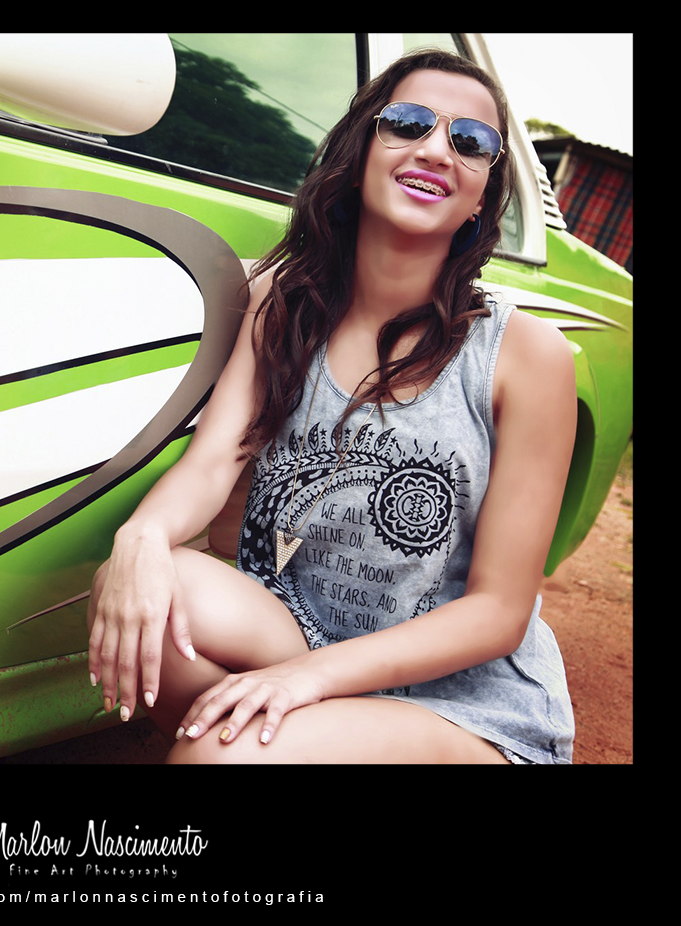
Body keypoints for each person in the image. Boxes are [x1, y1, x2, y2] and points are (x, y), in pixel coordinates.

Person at [86, 48, 576, 764]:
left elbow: (498, 612)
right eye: (408, 123)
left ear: (480, 196)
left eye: (471, 141)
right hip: (306, 635)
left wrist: (305, 681)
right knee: (140, 590)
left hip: (461, 700)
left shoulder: (527, 356)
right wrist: (141, 537)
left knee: (222, 754)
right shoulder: (283, 303)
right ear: (360, 151)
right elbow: (213, 462)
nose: (437, 149)